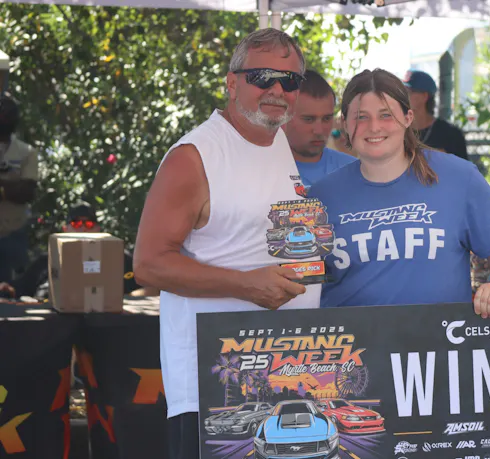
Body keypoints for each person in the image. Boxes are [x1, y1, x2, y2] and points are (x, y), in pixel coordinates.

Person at [133, 28, 321, 459]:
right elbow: (148, 264)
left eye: (290, 80)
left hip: (282, 382)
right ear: (232, 82)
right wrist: (245, 285)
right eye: (262, 77)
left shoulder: (277, 142)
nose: (277, 90)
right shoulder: (194, 156)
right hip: (213, 392)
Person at [309, 69, 490, 316]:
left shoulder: (459, 177)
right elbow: (299, 280)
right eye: (361, 117)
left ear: (408, 118)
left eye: (386, 115)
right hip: (352, 340)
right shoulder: (320, 197)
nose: (374, 127)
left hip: (441, 338)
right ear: (345, 123)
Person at [4, 201, 154, 299]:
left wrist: (124, 300)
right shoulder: (47, 260)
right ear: (65, 229)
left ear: (98, 229)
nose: (82, 228)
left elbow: (152, 288)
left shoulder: (118, 258)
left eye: (88, 224)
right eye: (76, 224)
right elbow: (16, 289)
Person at [283, 70, 356, 188]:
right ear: (284, 117)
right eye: (308, 119)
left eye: (326, 119)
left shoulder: (355, 172)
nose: (319, 131)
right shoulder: (261, 171)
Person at [0, 93, 38, 283]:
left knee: (14, 289)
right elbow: (19, 187)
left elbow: (27, 191)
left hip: (14, 233)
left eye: (9, 112)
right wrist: (12, 186)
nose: (4, 116)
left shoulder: (26, 152)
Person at [403, 69, 468, 160]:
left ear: (424, 96)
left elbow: (463, 168)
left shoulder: (450, 134)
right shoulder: (396, 131)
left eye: (408, 92)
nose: (402, 96)